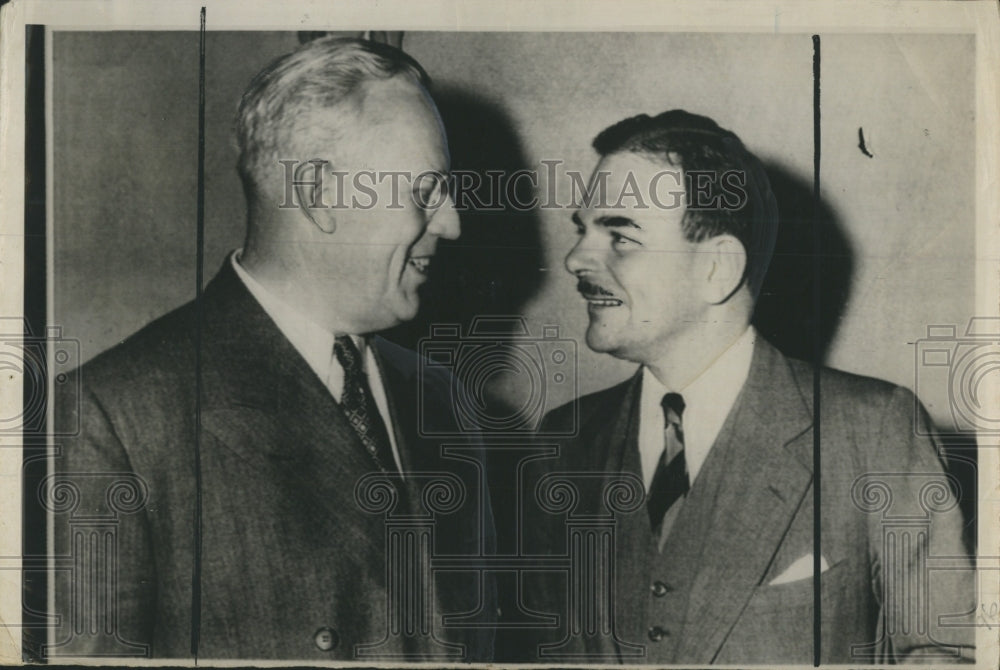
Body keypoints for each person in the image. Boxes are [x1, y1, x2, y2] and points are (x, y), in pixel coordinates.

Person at [49, 37, 494, 661]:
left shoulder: (444, 402)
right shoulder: (112, 419)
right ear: (318, 194)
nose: (451, 223)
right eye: (424, 192)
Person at [522, 110, 974, 664]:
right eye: (582, 231)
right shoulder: (561, 442)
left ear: (717, 268)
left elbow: (946, 652)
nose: (575, 259)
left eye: (620, 236)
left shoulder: (873, 431)